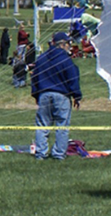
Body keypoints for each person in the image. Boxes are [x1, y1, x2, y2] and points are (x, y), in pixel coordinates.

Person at [31, 32, 82, 160]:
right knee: (62, 126)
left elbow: (35, 78)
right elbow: (73, 78)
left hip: (44, 95)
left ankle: (41, 153)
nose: (69, 47)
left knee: (43, 125)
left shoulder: (41, 58)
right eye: (68, 44)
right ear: (62, 44)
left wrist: (36, 95)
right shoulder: (66, 60)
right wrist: (77, 96)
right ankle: (58, 154)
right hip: (61, 96)